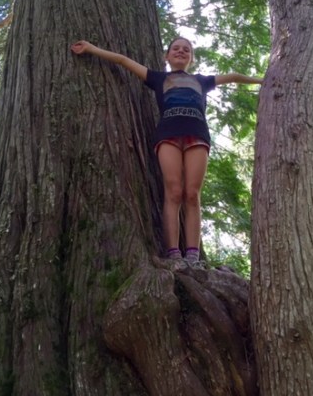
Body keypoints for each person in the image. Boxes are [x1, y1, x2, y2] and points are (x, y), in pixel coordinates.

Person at [71, 37, 263, 265]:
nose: (181, 52)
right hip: (168, 135)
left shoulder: (202, 81)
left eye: (186, 50)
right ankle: (173, 254)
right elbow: (123, 60)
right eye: (176, 49)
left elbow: (233, 76)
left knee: (192, 194)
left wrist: (262, 80)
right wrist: (92, 49)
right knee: (173, 192)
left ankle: (192, 255)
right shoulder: (158, 78)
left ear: (192, 58)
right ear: (167, 56)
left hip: (197, 134)